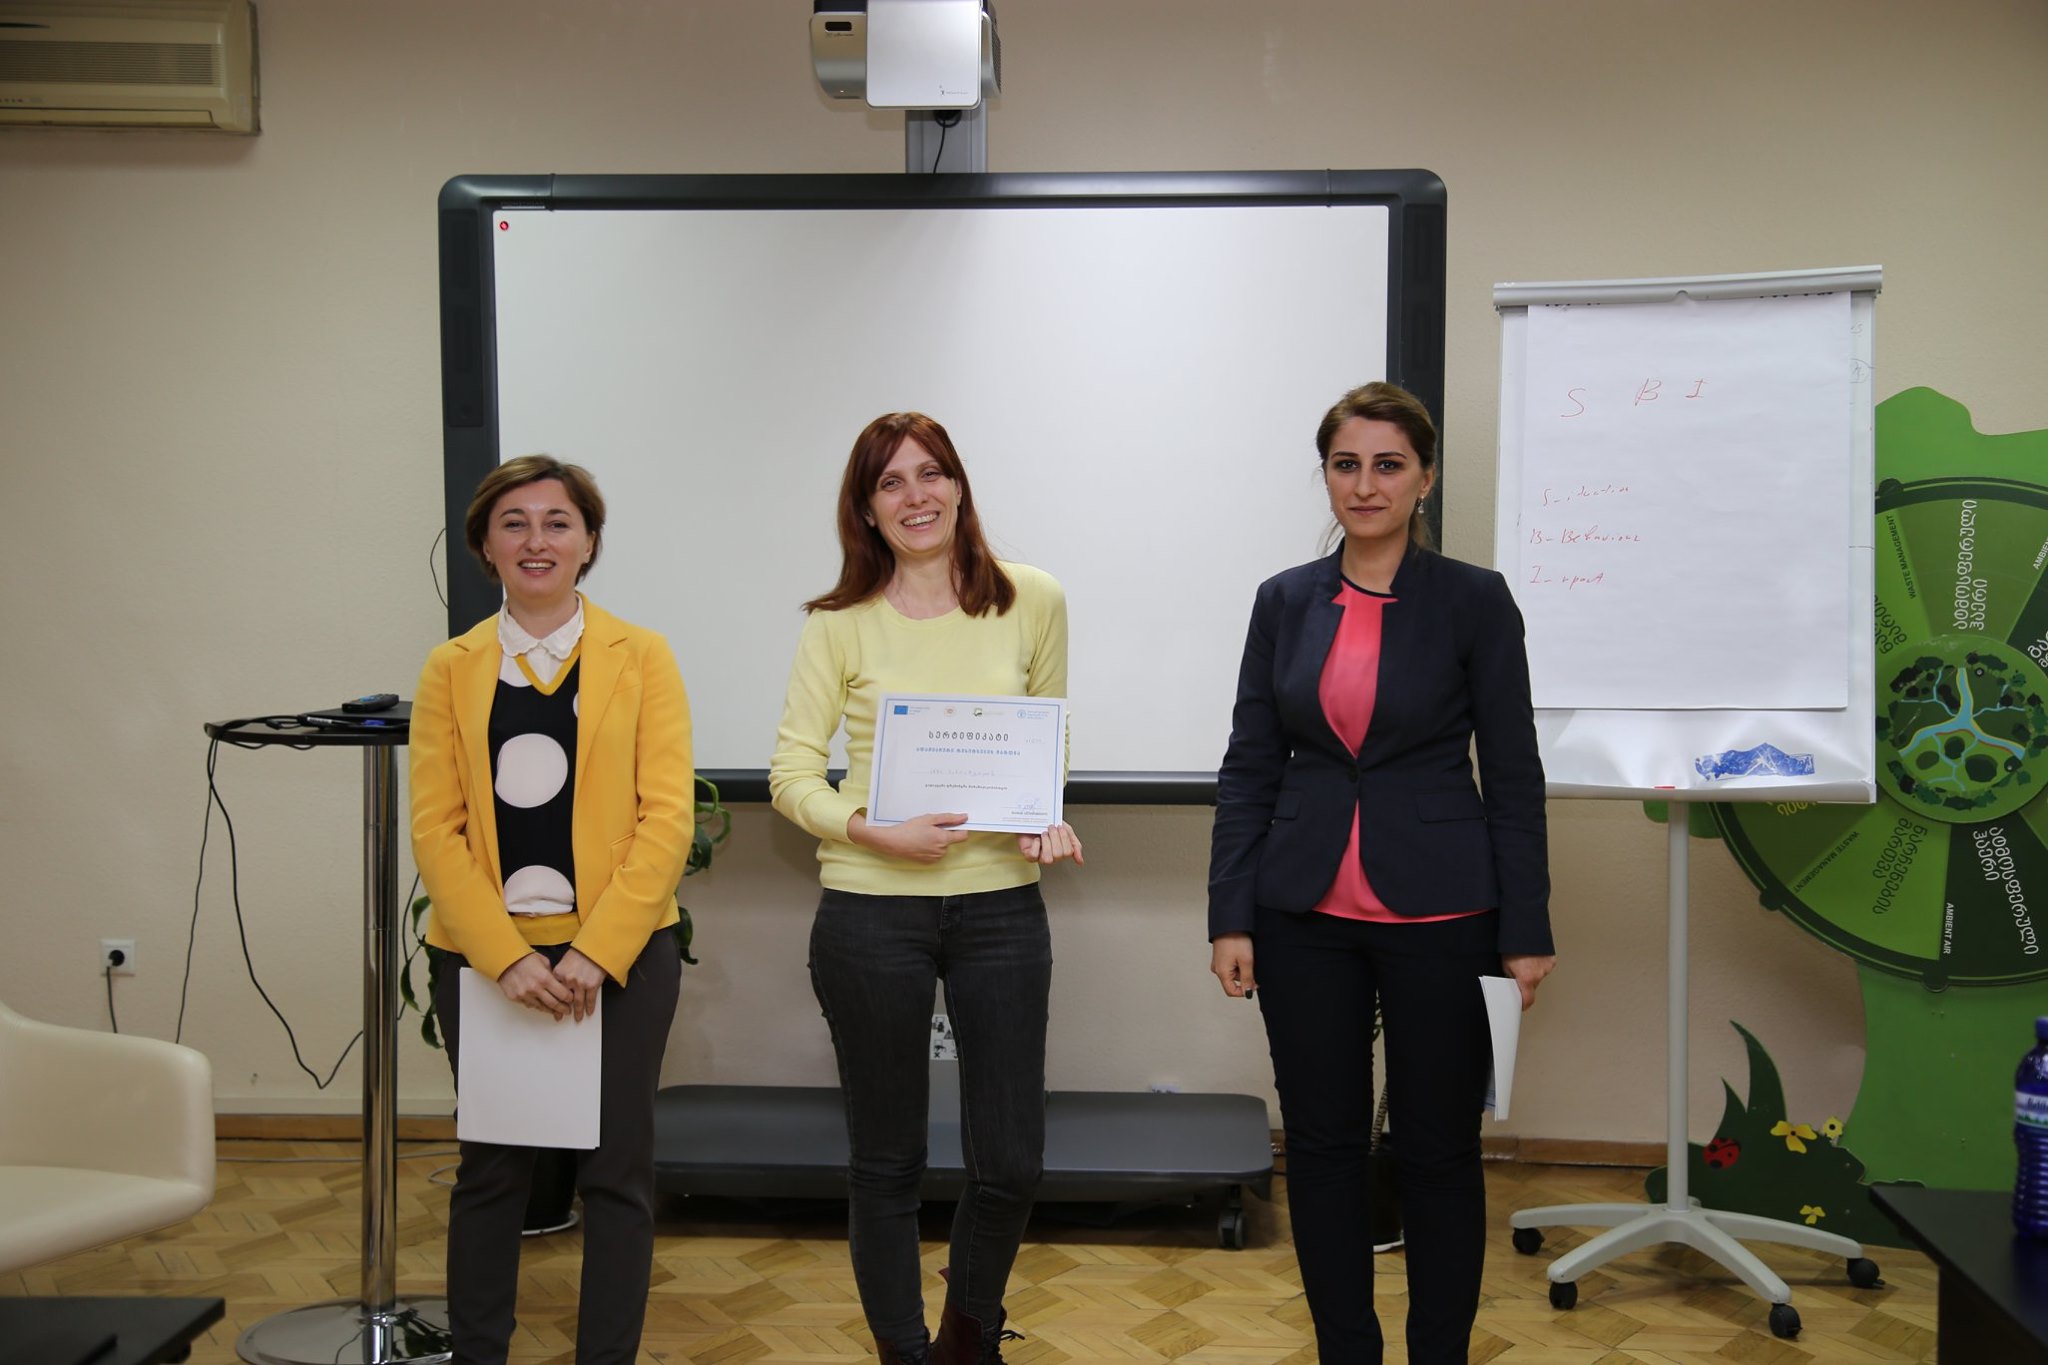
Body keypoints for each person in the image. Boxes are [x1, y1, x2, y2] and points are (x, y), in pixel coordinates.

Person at [1206, 381, 1556, 1363]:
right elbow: (1248, 765)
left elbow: (1513, 771)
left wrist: (1525, 928)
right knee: (1321, 1152)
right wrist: (1229, 913)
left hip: (1444, 914)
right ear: (1325, 474)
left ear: (1424, 478)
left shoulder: (1474, 600)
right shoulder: (1283, 601)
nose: (1365, 485)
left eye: (1388, 465)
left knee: (1437, 1152)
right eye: (1345, 464)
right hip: (1299, 914)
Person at [771, 412, 1082, 1365]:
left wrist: (1041, 813)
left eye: (931, 473)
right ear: (866, 508)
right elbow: (791, 773)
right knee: (886, 1160)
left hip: (1000, 908)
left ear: (958, 486)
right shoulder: (837, 623)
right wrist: (871, 828)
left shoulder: (1032, 599)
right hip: (869, 912)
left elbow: (1049, 738)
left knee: (1013, 1160)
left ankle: (968, 1334)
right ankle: (904, 1353)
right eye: (891, 482)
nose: (916, 496)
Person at [411, 455, 694, 1365]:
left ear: (589, 542)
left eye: (558, 521)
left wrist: (596, 951)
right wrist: (507, 957)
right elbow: (436, 829)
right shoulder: (449, 668)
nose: (537, 540)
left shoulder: (641, 656)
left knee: (618, 1173)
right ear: (485, 547)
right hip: (487, 961)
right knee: (493, 1173)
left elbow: (666, 818)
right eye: (515, 523)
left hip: (621, 959)